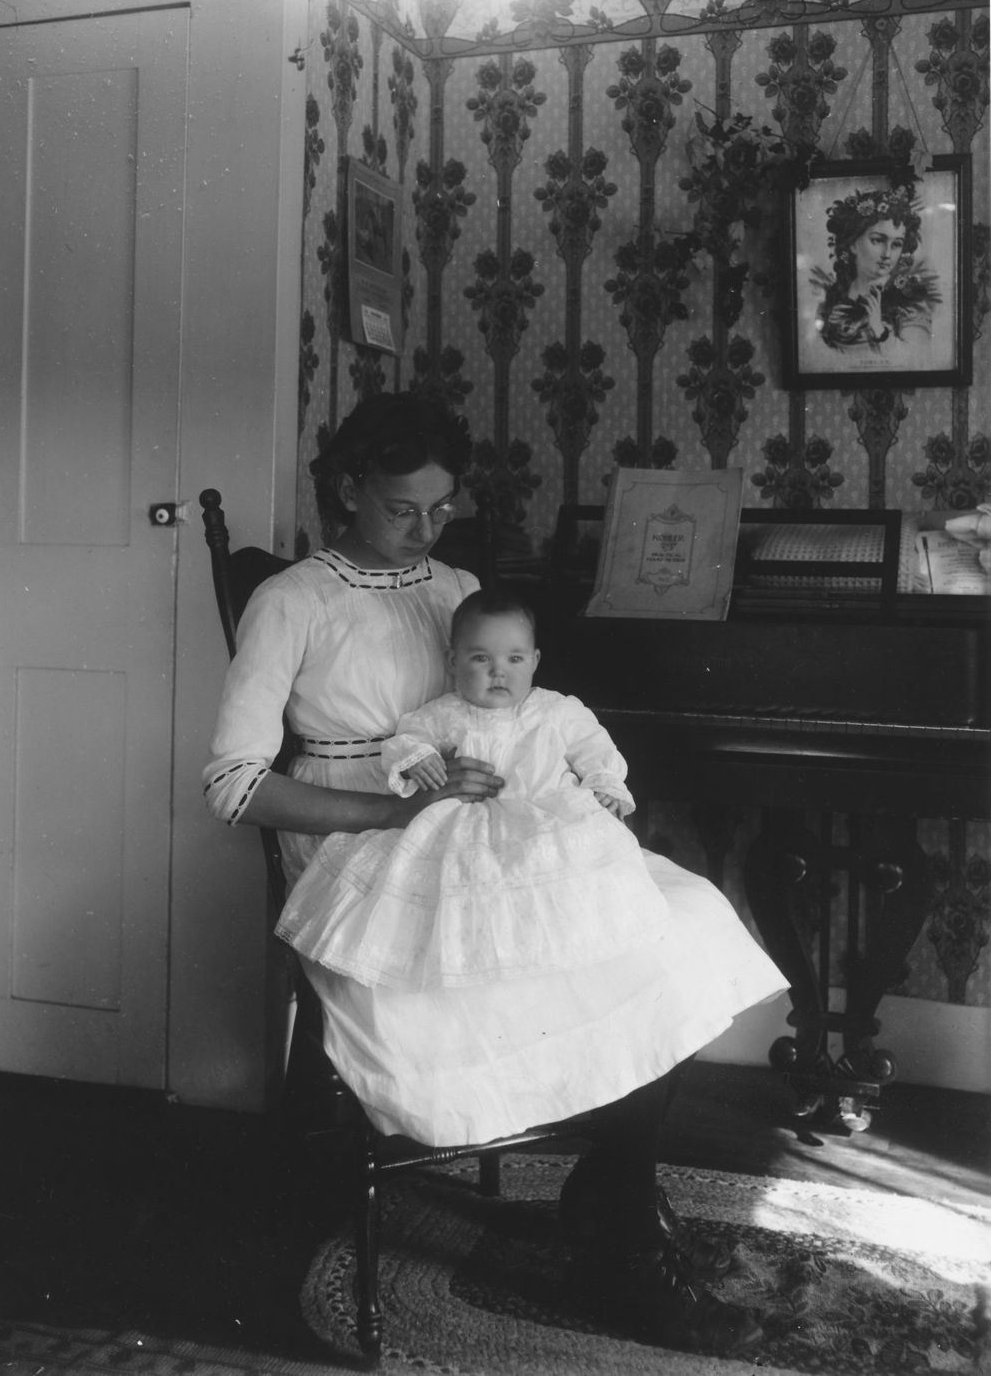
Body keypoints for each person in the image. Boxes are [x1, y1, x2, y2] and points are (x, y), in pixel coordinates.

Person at [203, 391, 787, 1357]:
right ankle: (622, 1244)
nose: (426, 531)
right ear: (348, 488)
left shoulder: (456, 585)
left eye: (442, 509)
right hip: (363, 837)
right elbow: (233, 786)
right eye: (404, 509)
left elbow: (514, 714)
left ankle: (610, 1188)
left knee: (680, 923)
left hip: (494, 833)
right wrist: (398, 808)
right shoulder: (292, 600)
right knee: (586, 962)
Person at [275, 588, 671, 991]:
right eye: (481, 658)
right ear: (453, 661)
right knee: (457, 887)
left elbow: (595, 747)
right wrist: (418, 759)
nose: (499, 671)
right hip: (467, 826)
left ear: (534, 661)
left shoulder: (555, 710)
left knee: (560, 881)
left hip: (544, 819)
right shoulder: (446, 712)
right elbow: (409, 737)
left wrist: (604, 783)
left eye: (514, 659)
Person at [810, 184, 940, 358]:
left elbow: (917, 361)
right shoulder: (830, 300)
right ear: (852, 243)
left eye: (896, 244)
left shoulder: (910, 303)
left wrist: (879, 330)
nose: (887, 254)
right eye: (878, 240)